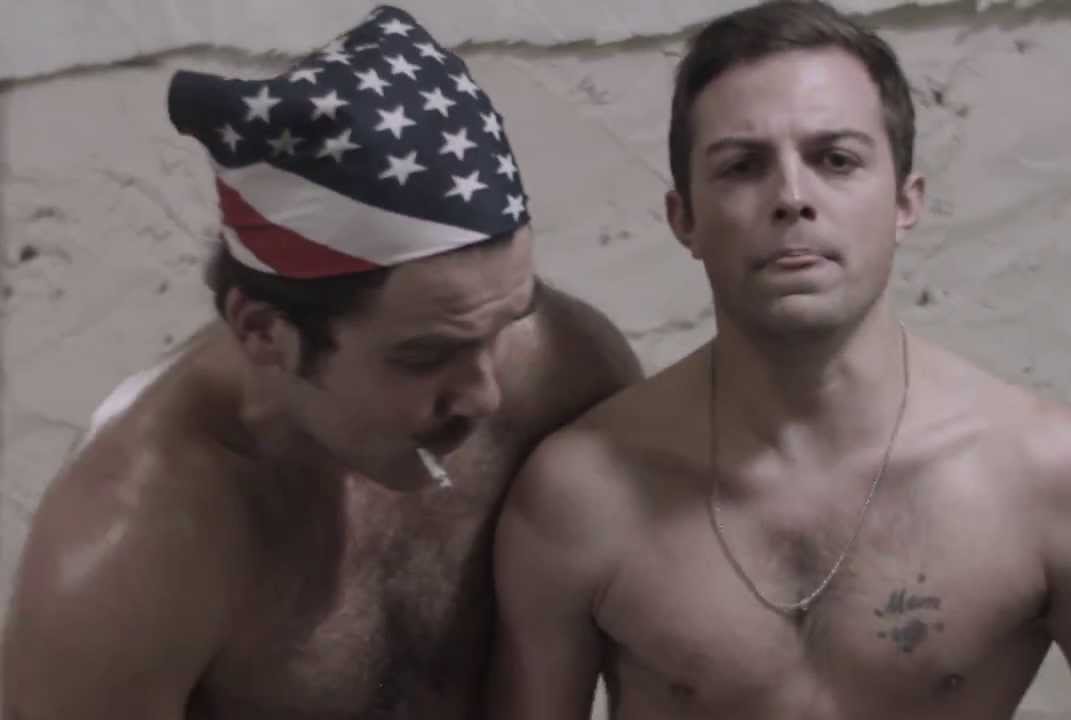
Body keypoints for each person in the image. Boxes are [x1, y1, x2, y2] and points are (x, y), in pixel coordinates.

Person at [487, 2, 1071, 718]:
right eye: (742, 166)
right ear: (685, 219)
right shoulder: (581, 495)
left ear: (905, 202)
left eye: (836, 160)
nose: (792, 198)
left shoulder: (1055, 479)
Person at [2, 6, 641, 719]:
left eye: (505, 327)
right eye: (426, 354)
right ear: (263, 331)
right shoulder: (131, 550)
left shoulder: (563, 374)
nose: (484, 394)